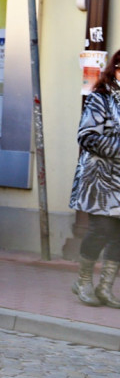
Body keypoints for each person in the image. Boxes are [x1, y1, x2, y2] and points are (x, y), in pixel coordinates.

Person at [69, 48, 120, 308]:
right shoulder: (101, 98)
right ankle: (83, 281)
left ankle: (105, 288)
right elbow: (86, 136)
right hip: (100, 180)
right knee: (100, 231)